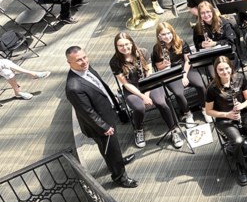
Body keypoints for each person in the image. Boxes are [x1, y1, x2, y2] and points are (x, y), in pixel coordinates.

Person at [65, 46, 138, 188]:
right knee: (111, 151)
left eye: (84, 57)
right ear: (69, 63)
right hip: (99, 125)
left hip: (107, 114)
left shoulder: (86, 68)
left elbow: (102, 87)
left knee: (114, 149)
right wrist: (104, 127)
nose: (84, 61)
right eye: (78, 60)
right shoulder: (73, 87)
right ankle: (120, 178)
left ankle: (119, 161)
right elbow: (87, 111)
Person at [110, 32, 180, 150]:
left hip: (149, 82)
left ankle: (174, 130)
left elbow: (149, 73)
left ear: (131, 43)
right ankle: (138, 129)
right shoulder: (115, 62)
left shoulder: (142, 52)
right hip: (132, 88)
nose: (124, 48)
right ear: (116, 47)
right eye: (120, 46)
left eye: (127, 44)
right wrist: (142, 96)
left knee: (161, 103)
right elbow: (126, 84)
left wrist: (147, 93)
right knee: (139, 107)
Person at [205, 56, 247, 185]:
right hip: (224, 118)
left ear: (231, 67)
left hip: (242, 113)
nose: (225, 72)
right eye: (221, 70)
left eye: (227, 68)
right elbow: (208, 111)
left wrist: (242, 105)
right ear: (216, 71)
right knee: (238, 141)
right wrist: (227, 114)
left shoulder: (239, 78)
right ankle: (240, 168)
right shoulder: (212, 88)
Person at [152, 21, 207, 125]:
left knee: (201, 85)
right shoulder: (157, 49)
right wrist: (164, 64)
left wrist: (184, 75)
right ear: (159, 36)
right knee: (178, 93)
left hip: (185, 68)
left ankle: (205, 109)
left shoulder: (181, 42)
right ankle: (187, 113)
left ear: (173, 32)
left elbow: (188, 60)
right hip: (170, 72)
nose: (167, 36)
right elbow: (159, 67)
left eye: (169, 33)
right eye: (163, 34)